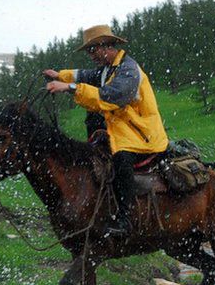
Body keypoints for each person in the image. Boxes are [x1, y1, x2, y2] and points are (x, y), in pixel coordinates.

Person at [43, 25, 169, 237]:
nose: (91, 56)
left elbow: (112, 96)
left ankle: (126, 219)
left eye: (92, 50)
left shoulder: (129, 70)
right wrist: (61, 76)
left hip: (140, 132)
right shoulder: (108, 68)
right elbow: (85, 75)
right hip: (121, 128)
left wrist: (69, 88)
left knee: (121, 159)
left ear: (106, 47)